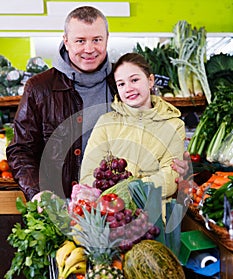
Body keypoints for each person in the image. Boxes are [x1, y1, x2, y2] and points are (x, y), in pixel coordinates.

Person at [6, 6, 189, 201]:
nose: (89, 49)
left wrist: (173, 164)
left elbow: (151, 130)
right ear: (66, 42)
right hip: (57, 203)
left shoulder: (119, 81)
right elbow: (20, 150)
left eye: (97, 40)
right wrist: (37, 192)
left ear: (107, 39)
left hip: (118, 207)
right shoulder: (40, 88)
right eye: (80, 41)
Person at [80, 52, 185, 204]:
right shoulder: (106, 123)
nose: (128, 88)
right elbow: (89, 173)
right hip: (109, 213)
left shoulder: (174, 125)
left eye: (134, 80)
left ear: (150, 81)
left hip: (153, 216)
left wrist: (127, 191)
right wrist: (116, 197)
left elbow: (169, 179)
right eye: (121, 84)